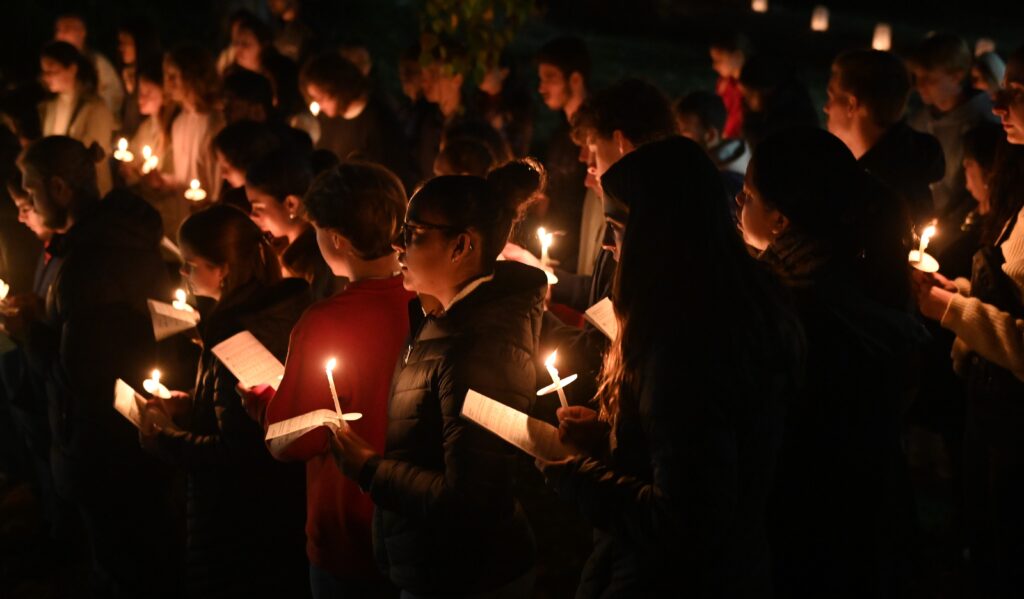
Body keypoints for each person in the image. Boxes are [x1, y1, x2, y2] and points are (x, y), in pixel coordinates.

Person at [539, 135, 803, 597]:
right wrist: (610, 440)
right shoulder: (734, 301)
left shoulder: (685, 341)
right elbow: (695, 455)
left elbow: (686, 516)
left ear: (659, 232)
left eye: (618, 229)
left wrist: (575, 475)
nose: (606, 246)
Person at [327, 160, 548, 597]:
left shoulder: (482, 347)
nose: (398, 246)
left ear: (461, 246)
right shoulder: (441, 316)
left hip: (469, 577)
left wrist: (369, 469)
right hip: (435, 563)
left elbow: (473, 499)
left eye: (413, 234)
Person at [737, 127, 924, 597]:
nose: (738, 206)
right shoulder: (868, 277)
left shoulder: (786, 304)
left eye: (747, 195)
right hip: (874, 511)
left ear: (780, 221)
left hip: (800, 519)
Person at [13, 136, 178, 598]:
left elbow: (81, 375)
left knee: (123, 567)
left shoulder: (89, 262)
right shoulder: (117, 237)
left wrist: (29, 330)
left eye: (31, 188)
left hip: (103, 444)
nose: (26, 199)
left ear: (59, 187)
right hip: (134, 432)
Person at [253, 162, 412, 599]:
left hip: (348, 522)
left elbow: (292, 440)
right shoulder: (430, 301)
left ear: (336, 238)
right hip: (418, 521)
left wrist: (264, 402)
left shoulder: (324, 320)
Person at [140, 204, 310, 598]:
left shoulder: (235, 335)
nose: (183, 274)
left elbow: (237, 451)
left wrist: (165, 438)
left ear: (223, 269)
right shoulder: (279, 308)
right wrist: (191, 405)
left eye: (190, 264)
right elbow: (232, 414)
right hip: (279, 509)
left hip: (239, 520)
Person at [914, 45, 1024, 596]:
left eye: (1016, 92)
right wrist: (956, 289)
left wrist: (944, 308)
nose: (997, 101)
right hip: (992, 411)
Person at [825, 49, 946, 228]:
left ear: (852, 104)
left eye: (831, 96)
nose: (826, 108)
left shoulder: (878, 197)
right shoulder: (901, 168)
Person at [907, 33, 999, 230]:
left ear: (957, 75)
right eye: (917, 77)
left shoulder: (982, 124)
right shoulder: (919, 120)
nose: (919, 86)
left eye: (928, 78)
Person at [301, 52, 411, 187]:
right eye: (314, 99)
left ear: (337, 87)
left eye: (321, 98)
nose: (318, 105)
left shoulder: (378, 121)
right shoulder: (327, 119)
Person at [245, 149, 338, 299]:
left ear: (291, 204)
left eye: (258, 207)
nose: (252, 216)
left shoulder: (303, 265)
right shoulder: (286, 249)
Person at [537, 36, 590, 273]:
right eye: (541, 79)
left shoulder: (596, 137)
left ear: (575, 79)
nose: (541, 88)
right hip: (556, 252)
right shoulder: (559, 135)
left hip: (582, 258)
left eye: (550, 78)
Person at [38, 41, 115, 195]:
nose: (46, 77)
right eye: (44, 71)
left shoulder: (95, 108)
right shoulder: (49, 108)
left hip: (90, 193)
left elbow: (92, 156)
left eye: (52, 71)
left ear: (72, 69)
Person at [163, 42, 225, 197]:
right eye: (166, 76)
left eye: (174, 76)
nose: (168, 83)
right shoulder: (178, 123)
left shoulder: (215, 123)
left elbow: (215, 184)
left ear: (193, 77)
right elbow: (183, 179)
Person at [674, 89, 750, 205]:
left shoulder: (727, 185)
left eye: (684, 131)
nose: (677, 138)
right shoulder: (712, 165)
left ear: (710, 135)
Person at [54, 13, 125, 120]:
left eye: (67, 29)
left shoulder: (97, 64)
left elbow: (114, 96)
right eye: (58, 30)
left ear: (82, 32)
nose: (61, 34)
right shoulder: (52, 64)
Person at [738, 55, 819, 147]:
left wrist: (750, 118)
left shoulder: (786, 123)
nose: (744, 101)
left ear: (766, 91)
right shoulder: (792, 97)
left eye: (748, 95)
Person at [115, 16, 161, 136]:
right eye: (120, 43)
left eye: (126, 43)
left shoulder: (155, 74)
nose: (121, 48)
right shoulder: (126, 74)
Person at [709, 32, 750, 139]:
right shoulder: (724, 84)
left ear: (738, 56)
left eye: (719, 60)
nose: (714, 66)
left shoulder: (752, 90)